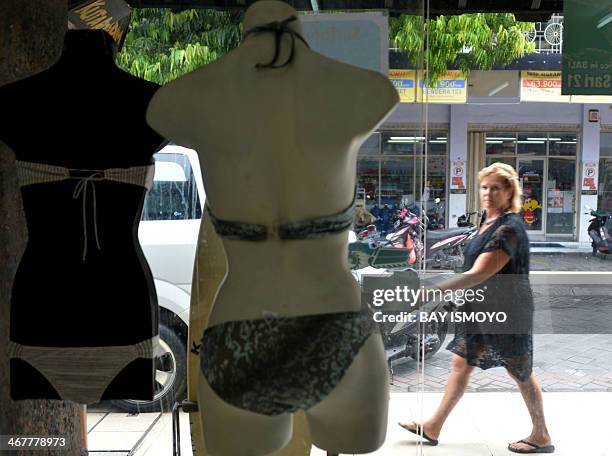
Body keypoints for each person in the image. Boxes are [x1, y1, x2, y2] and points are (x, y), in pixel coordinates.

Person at [399, 162, 554, 454]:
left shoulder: (509, 228)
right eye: (484, 187)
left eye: (496, 188)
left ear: (510, 192)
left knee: (519, 369)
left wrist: (432, 291)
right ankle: (433, 426)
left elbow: (479, 273)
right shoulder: (487, 222)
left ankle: (541, 434)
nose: (488, 193)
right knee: (462, 362)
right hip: (482, 306)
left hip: (507, 309)